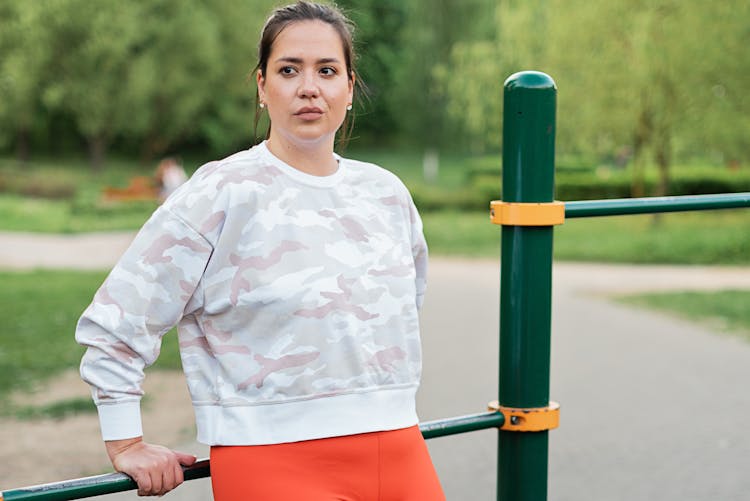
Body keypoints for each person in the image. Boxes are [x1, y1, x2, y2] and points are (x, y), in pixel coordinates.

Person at [75, 1, 444, 499]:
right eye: (289, 69)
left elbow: (403, 308)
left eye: (327, 70)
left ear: (349, 88)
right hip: (274, 463)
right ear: (262, 87)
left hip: (399, 452)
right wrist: (126, 441)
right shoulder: (220, 193)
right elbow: (118, 320)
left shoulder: (387, 194)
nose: (309, 87)